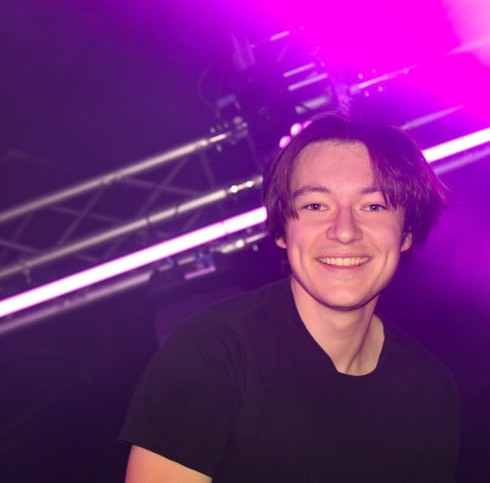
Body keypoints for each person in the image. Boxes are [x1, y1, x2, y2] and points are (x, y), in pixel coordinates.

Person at [119, 112, 459, 482]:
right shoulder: (212, 352)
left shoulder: (428, 391)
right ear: (282, 230)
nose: (345, 231)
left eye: (373, 206)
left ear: (406, 233)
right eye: (316, 206)